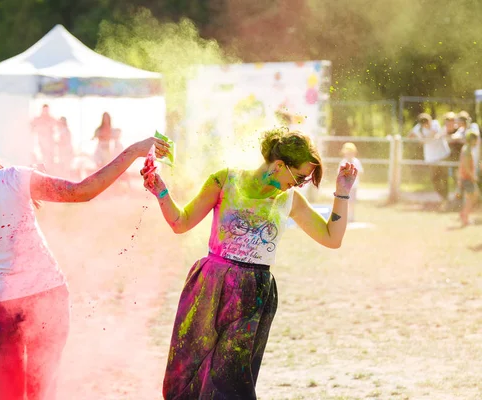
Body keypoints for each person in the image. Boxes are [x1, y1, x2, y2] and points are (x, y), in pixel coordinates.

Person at [0, 120, 169, 400]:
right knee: (42, 392)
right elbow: (83, 191)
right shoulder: (13, 179)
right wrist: (133, 151)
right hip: (46, 297)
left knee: (6, 395)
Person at [141, 128, 358, 399]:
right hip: (209, 286)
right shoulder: (225, 180)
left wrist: (342, 192)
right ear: (279, 165)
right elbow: (181, 222)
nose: (300, 184)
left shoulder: (290, 200)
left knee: (230, 380)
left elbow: (331, 237)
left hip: (252, 295)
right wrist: (160, 191)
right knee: (189, 372)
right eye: (299, 177)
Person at [408, 113, 451, 209]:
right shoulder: (418, 129)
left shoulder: (435, 124)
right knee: (434, 178)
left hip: (442, 155)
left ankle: (446, 198)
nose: (429, 125)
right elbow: (413, 136)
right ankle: (443, 197)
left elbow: (434, 134)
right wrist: (422, 138)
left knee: (444, 177)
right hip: (431, 158)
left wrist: (425, 138)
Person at [458, 132, 480, 226]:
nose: (477, 141)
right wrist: (473, 177)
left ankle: (464, 214)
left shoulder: (467, 148)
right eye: (476, 139)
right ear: (472, 140)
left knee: (472, 197)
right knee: (472, 197)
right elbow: (466, 166)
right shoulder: (467, 150)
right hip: (467, 177)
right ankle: (464, 216)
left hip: (466, 177)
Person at [339, 142, 364, 222]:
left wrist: (352, 174)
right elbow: (339, 173)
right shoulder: (343, 162)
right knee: (344, 202)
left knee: (352, 202)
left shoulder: (356, 162)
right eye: (347, 153)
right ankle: (344, 216)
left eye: (350, 153)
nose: (348, 154)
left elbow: (360, 172)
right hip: (344, 186)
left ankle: (351, 216)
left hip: (353, 186)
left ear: (354, 153)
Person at [31, 104, 58, 173]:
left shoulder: (51, 119)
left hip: (49, 143)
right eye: (44, 110)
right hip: (41, 142)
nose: (45, 111)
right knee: (42, 157)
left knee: (49, 158)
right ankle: (43, 171)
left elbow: (56, 126)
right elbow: (32, 126)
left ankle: (49, 171)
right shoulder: (38, 119)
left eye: (47, 110)